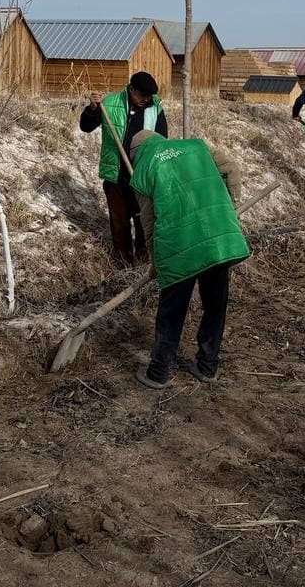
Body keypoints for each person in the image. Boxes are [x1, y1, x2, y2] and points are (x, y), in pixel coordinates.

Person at [127, 129, 249, 388]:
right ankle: (207, 366)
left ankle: (158, 372)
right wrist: (230, 207)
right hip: (217, 237)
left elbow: (149, 225)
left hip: (178, 246)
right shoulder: (197, 147)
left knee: (172, 311)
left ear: (136, 154)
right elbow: (231, 169)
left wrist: (157, 261)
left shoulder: (143, 170)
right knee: (215, 306)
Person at [79, 71, 168, 264]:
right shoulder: (110, 103)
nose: (146, 99)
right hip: (116, 176)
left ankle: (144, 261)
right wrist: (92, 109)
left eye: (149, 96)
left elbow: (162, 143)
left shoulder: (156, 110)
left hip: (142, 178)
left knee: (144, 222)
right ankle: (123, 264)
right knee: (119, 224)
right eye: (142, 95)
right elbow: (86, 127)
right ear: (131, 89)